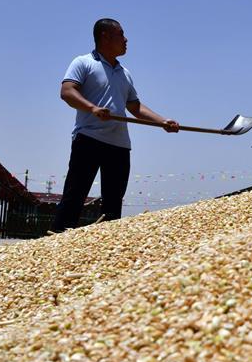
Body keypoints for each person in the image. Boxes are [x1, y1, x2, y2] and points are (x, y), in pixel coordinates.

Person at [52, 18, 179, 232]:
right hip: (89, 139)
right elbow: (67, 92)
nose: (126, 39)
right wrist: (92, 108)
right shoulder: (83, 62)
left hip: (119, 145)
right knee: (75, 195)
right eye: (121, 34)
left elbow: (135, 107)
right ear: (105, 36)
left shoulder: (124, 73)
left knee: (113, 204)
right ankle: (54, 242)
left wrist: (162, 122)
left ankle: (106, 247)